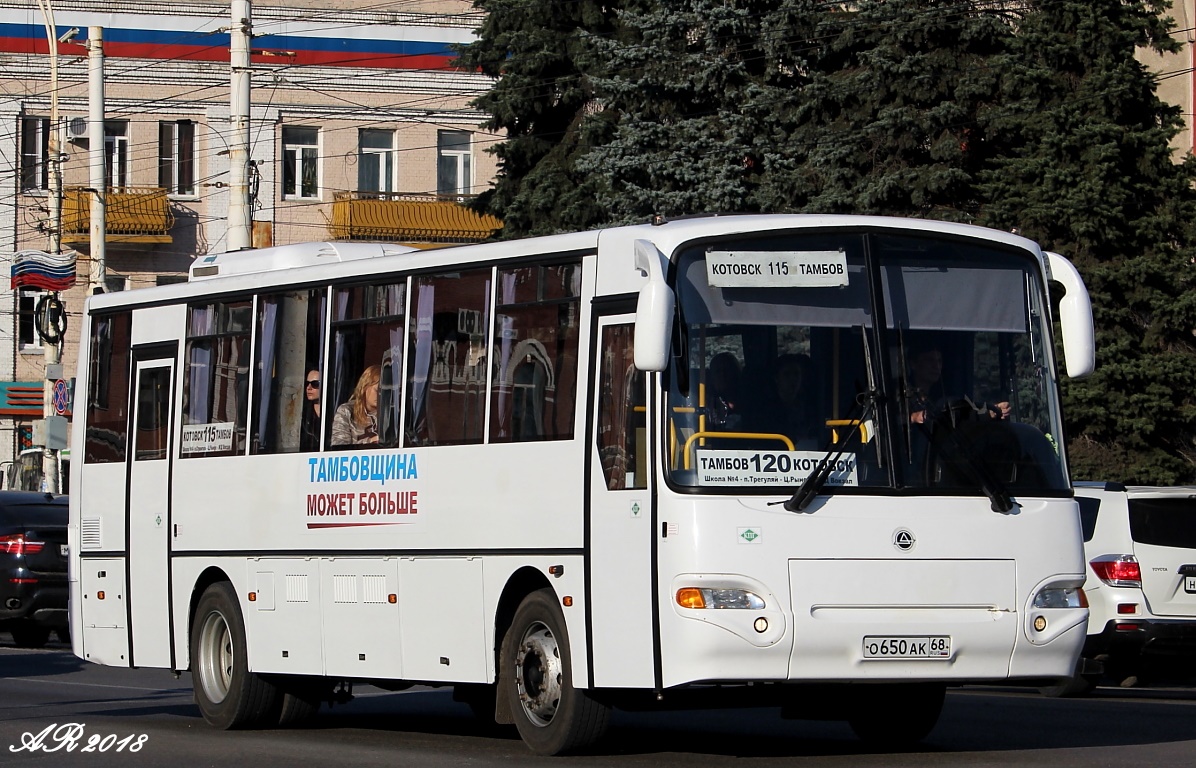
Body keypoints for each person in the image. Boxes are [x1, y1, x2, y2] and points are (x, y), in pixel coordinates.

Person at [331, 365, 380, 446]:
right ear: (365, 387)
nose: (380, 395)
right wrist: (370, 441)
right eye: (377, 390)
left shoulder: (390, 415)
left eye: (385, 392)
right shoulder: (346, 411)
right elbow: (338, 446)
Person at [706, 352, 742, 429]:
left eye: (727, 371)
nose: (722, 376)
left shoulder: (750, 399)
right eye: (718, 372)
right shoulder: (706, 403)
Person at [300, 369, 322, 451]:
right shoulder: (302, 413)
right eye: (307, 383)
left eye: (315, 384)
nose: (309, 388)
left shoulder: (335, 413)